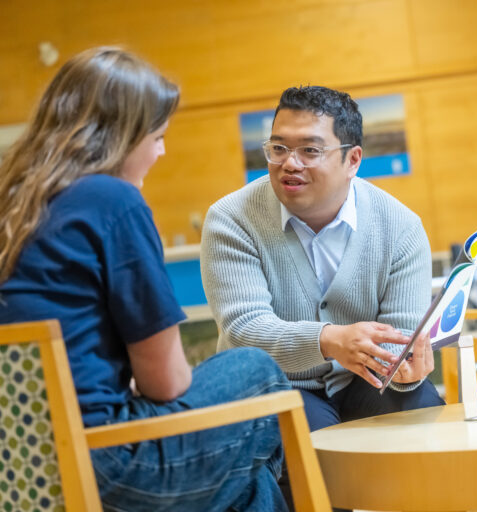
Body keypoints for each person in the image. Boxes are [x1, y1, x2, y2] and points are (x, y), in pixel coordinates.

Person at [0, 47, 289, 512]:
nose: (162, 151)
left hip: (23, 470)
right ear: (119, 138)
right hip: (110, 467)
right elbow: (166, 384)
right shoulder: (112, 200)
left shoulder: (14, 202)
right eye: (156, 137)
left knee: (247, 482)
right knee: (258, 371)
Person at [201, 85, 444, 434]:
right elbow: (244, 331)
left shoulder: (400, 226)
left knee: (419, 408)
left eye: (309, 150)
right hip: (279, 383)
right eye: (278, 148)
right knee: (307, 434)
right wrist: (328, 340)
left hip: (367, 383)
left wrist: (405, 373)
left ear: (353, 160)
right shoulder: (232, 219)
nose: (289, 163)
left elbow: (399, 339)